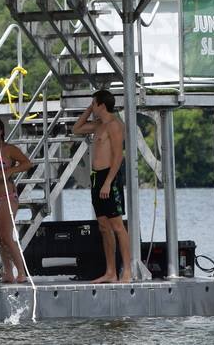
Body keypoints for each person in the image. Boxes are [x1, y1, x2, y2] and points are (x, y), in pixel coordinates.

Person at [72, 88, 131, 283]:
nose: (91, 105)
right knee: (103, 226)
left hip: (109, 177)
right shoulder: (98, 125)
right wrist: (89, 110)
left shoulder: (114, 125)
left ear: (102, 105)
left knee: (117, 225)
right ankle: (110, 272)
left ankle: (127, 272)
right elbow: (76, 129)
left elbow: (118, 157)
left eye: (93, 103)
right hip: (96, 177)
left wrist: (108, 183)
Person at [0, 117, 33, 283]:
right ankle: (8, 272)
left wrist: (11, 170)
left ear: (0, 132)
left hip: (5, 196)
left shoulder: (9, 149)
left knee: (6, 236)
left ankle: (21, 271)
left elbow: (27, 163)